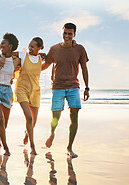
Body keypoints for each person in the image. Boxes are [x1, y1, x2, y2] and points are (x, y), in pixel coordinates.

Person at [42, 23, 90, 158]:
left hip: (73, 87)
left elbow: (84, 69)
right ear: (61, 33)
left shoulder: (80, 49)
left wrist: (87, 87)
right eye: (65, 33)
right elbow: (45, 65)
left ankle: (69, 147)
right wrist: (29, 65)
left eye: (70, 33)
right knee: (55, 117)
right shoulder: (54, 49)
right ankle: (52, 134)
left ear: (74, 34)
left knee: (74, 115)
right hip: (57, 87)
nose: (67, 36)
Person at [13, 37, 45, 155]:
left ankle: (27, 133)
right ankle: (32, 146)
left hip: (35, 91)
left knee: (34, 122)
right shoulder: (23, 55)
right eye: (29, 46)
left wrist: (42, 54)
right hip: (21, 89)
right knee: (29, 117)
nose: (30, 48)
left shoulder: (41, 59)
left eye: (32, 46)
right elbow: (9, 53)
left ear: (39, 48)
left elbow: (49, 62)